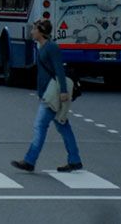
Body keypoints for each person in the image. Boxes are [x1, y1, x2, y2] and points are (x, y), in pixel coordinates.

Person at [11, 19, 81, 173]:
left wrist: (63, 91)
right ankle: (75, 160)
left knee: (40, 126)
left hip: (53, 95)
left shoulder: (51, 48)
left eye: (34, 29)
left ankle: (29, 160)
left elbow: (59, 70)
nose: (31, 32)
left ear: (41, 32)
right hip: (47, 93)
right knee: (63, 126)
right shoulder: (42, 46)